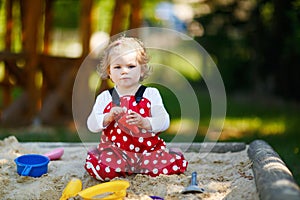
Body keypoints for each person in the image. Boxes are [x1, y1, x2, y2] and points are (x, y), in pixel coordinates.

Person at [85, 36, 188, 181]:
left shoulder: (151, 94)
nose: (124, 71)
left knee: (169, 166)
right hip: (116, 152)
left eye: (131, 66)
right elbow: (91, 125)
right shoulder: (105, 97)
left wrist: (145, 122)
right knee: (102, 169)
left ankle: (169, 156)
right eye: (117, 67)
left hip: (146, 151)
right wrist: (107, 117)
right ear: (109, 72)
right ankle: (110, 162)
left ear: (142, 70)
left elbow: (164, 121)